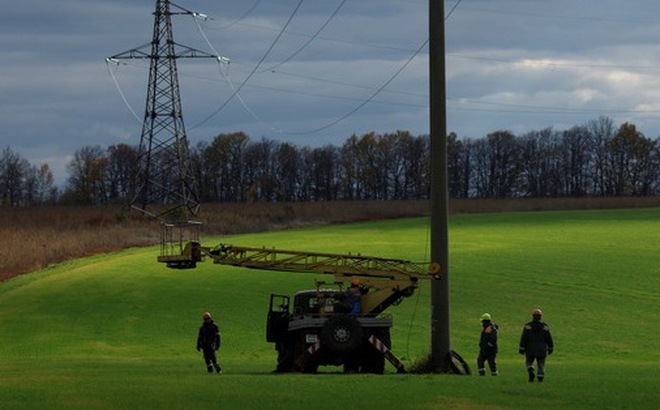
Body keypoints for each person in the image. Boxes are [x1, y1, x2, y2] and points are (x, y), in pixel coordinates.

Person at [519, 308, 554, 383]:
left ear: (533, 316)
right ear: (541, 316)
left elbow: (524, 338)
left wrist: (522, 347)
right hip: (542, 349)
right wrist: (551, 347)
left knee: (529, 361)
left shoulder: (527, 326)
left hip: (530, 348)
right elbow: (549, 338)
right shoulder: (545, 327)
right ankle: (540, 378)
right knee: (541, 364)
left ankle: (530, 368)